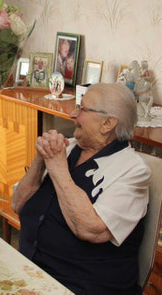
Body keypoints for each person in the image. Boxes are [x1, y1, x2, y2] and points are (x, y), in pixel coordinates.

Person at [12, 83, 151, 294]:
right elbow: (18, 204)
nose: (73, 114)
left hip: (84, 285)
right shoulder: (67, 147)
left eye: (83, 109)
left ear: (107, 123)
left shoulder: (132, 171)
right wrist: (40, 160)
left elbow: (90, 229)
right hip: (32, 271)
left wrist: (57, 167)